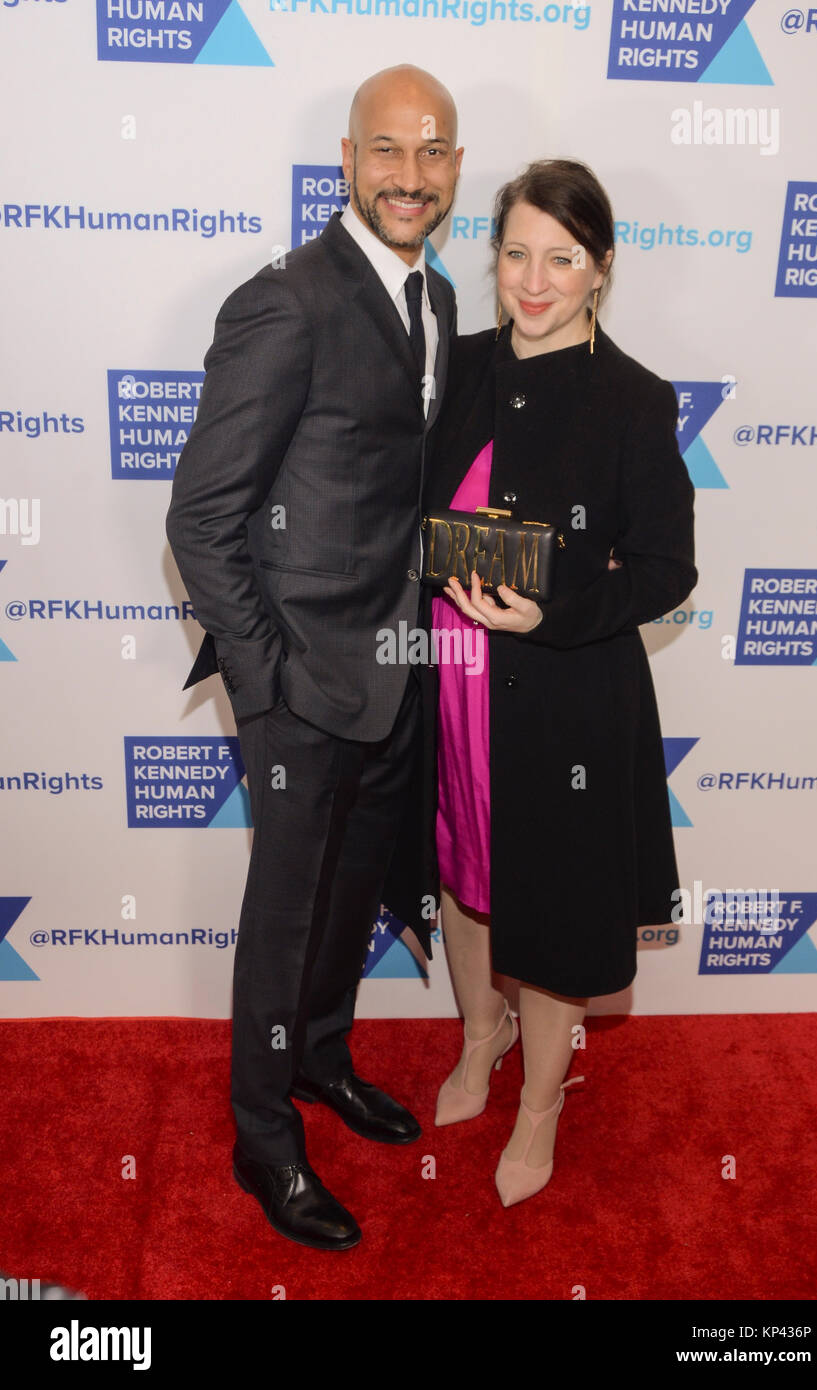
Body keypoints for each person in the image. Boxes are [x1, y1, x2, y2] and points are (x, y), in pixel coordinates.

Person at [165, 65, 462, 1250]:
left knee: (347, 903)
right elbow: (201, 515)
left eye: (432, 154)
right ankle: (261, 1136)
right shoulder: (287, 300)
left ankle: (321, 1063)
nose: (408, 175)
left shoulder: (432, 301)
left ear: (454, 172)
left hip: (395, 670)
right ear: (348, 162)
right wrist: (265, 678)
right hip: (300, 684)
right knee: (286, 916)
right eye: (386, 151)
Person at [423, 159, 697, 1207]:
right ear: (493, 257)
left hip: (568, 697)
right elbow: (411, 509)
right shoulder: (461, 365)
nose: (535, 281)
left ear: (601, 268)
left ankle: (541, 1101)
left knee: (552, 897)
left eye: (562, 259)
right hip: (450, 681)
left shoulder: (633, 399)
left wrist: (558, 611)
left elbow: (668, 568)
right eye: (517, 254)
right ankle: (479, 1039)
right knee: (461, 863)